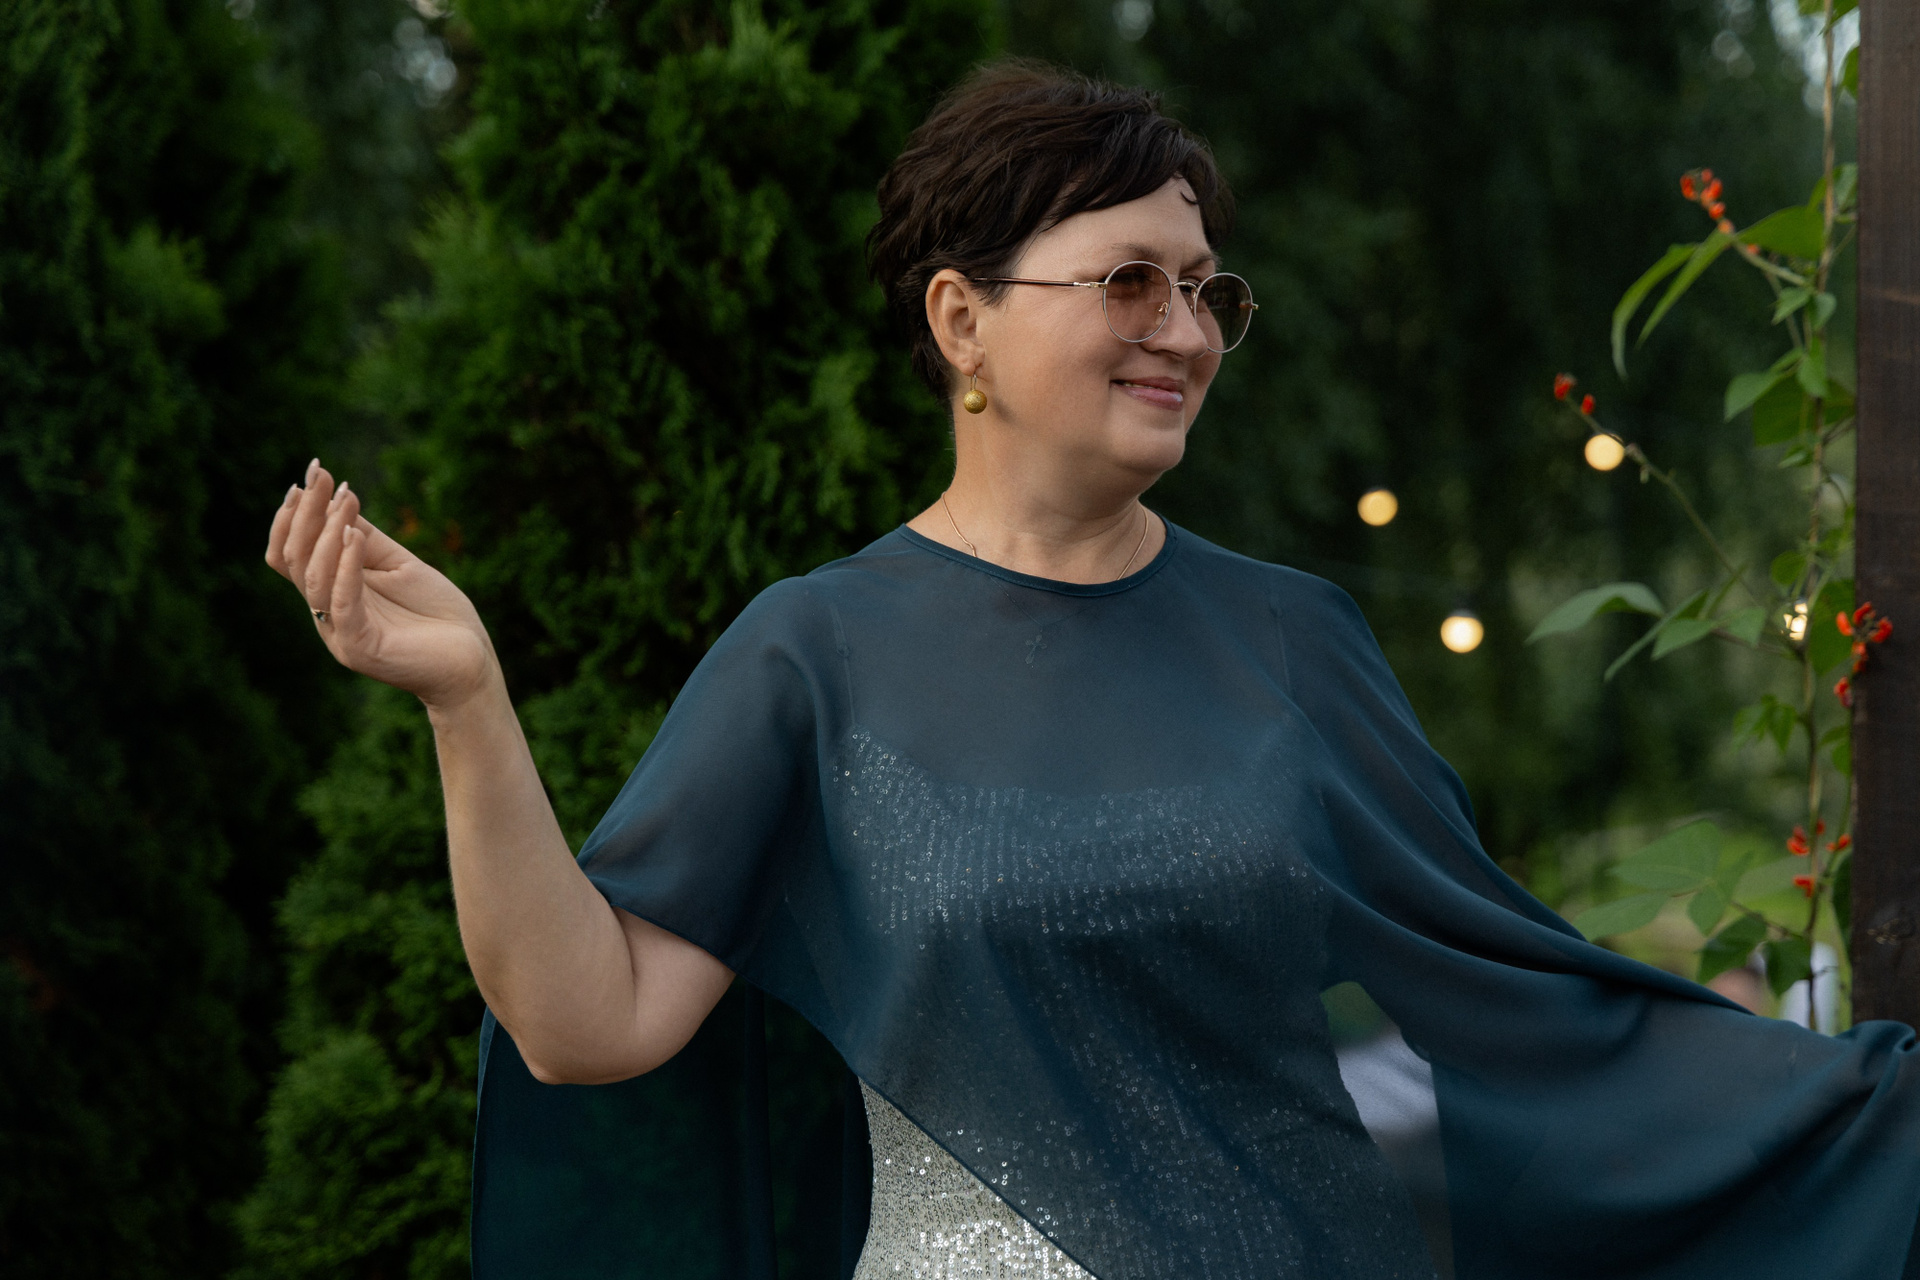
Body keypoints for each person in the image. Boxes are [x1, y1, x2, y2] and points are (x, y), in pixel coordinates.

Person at [266, 62, 1920, 1280]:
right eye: (1128, 280)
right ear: (961, 323)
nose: (1185, 330)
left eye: (1205, 291)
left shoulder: (1293, 641)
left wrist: (1878, 1115)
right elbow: (589, 1023)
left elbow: (1534, 1011)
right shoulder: (811, 653)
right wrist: (467, 701)